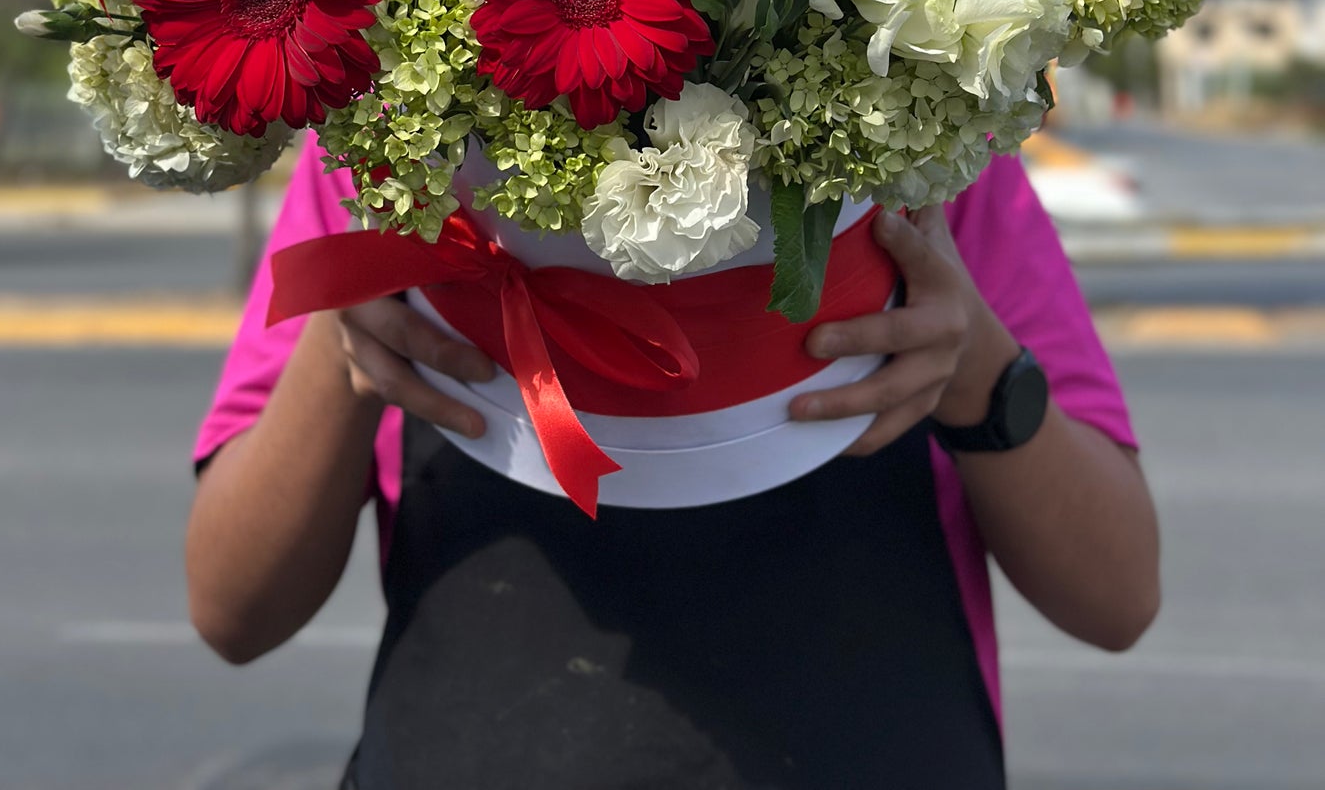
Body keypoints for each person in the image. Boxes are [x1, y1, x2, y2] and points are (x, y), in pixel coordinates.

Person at [187, 134, 1159, 789]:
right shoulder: (385, 136)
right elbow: (234, 607)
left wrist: (974, 368)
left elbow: (1113, 593)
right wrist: (348, 323)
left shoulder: (929, 137)